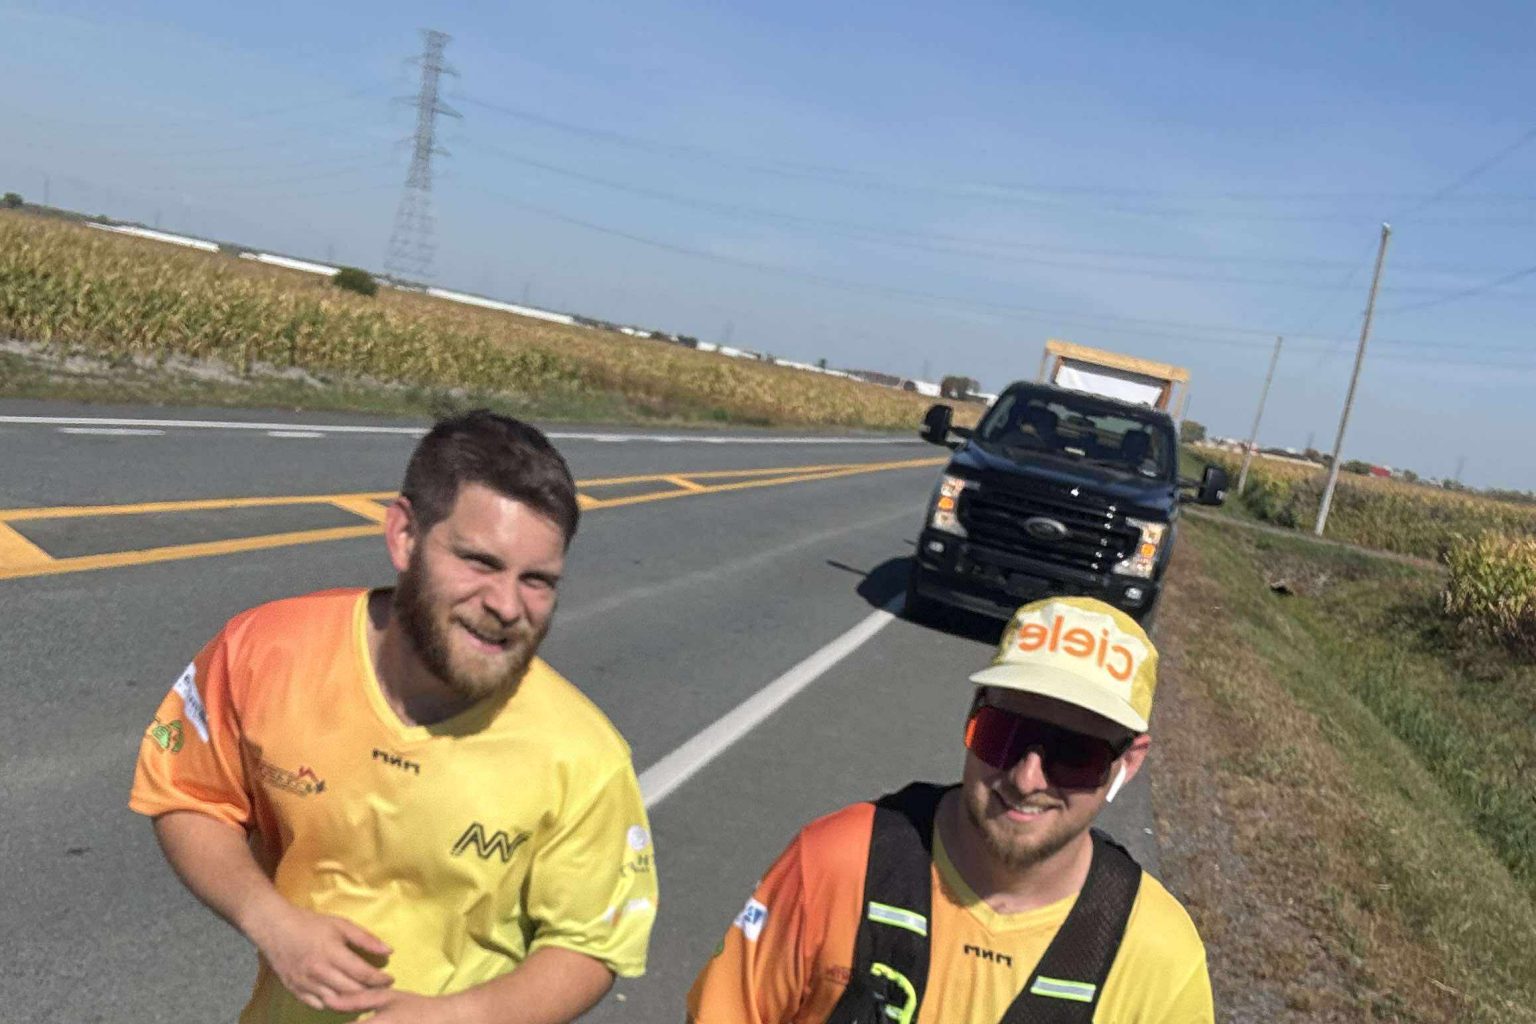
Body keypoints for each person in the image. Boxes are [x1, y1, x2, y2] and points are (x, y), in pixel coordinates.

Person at [130, 410, 657, 1024]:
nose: (507, 605)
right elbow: (190, 794)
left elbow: (591, 943)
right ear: (404, 535)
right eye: (480, 563)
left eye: (537, 581)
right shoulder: (265, 650)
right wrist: (271, 921)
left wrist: (459, 1017)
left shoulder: (583, 753)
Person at [687, 596, 1213, 1023]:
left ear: (1128, 762)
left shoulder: (1157, 954)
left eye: (1075, 755)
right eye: (1003, 735)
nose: (1027, 779)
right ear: (973, 713)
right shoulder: (835, 864)